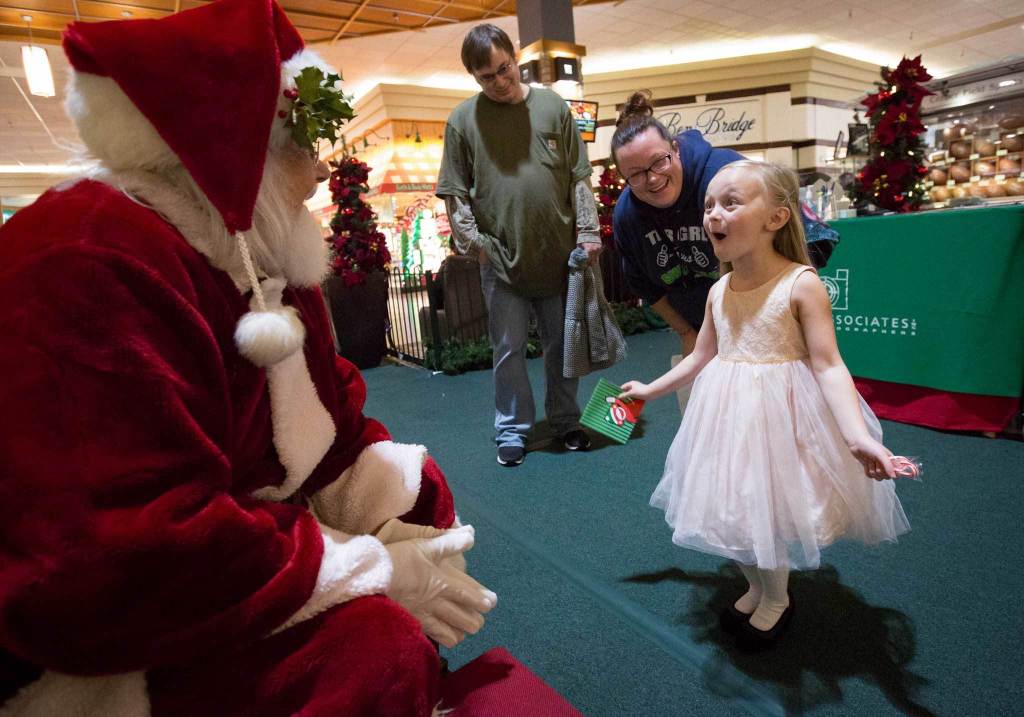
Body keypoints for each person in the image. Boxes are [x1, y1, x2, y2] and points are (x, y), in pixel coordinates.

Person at [0, 2, 495, 715]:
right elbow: (112, 559)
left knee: (417, 495)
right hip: (103, 645)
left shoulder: (266, 259)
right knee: (373, 653)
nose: (324, 170)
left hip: (242, 539)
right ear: (233, 145)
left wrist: (399, 516)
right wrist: (372, 570)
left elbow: (336, 429)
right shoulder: (85, 262)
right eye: (305, 142)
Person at [619, 160, 909, 649]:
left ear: (776, 218)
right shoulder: (718, 290)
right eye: (708, 205)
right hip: (726, 417)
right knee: (729, 507)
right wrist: (652, 388)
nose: (714, 214)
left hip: (783, 421)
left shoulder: (801, 284)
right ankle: (756, 584)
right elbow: (702, 356)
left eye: (731, 202)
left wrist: (857, 437)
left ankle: (777, 597)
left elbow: (829, 366)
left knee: (765, 511)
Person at [437, 23, 601, 468]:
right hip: (502, 263)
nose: (500, 82)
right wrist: (478, 246)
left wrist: (588, 232)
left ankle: (565, 422)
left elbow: (578, 178)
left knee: (562, 346)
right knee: (507, 351)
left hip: (558, 255)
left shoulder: (553, 107)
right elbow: (455, 193)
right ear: (474, 77)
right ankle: (512, 431)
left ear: (515, 58)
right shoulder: (462, 121)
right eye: (487, 77)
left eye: (504, 69)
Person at [611, 91, 743, 358]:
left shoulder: (725, 176)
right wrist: (686, 333)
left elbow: (785, 242)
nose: (652, 179)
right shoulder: (628, 215)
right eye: (635, 174)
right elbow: (643, 285)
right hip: (698, 321)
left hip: (753, 315)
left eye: (659, 161)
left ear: (675, 148)